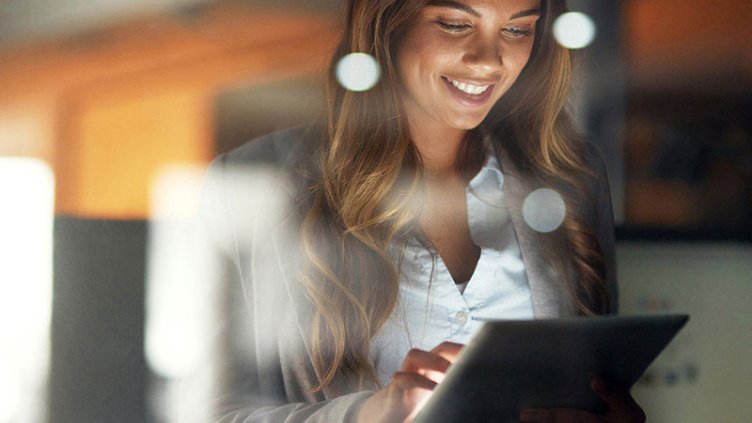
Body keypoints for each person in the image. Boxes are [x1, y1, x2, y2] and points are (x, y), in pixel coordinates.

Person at [200, 0, 646, 422]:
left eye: (517, 29)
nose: (489, 61)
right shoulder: (257, 184)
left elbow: (598, 386)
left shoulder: (570, 177)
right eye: (455, 24)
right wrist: (368, 414)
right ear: (387, 23)